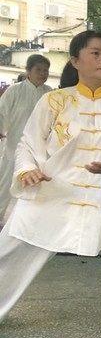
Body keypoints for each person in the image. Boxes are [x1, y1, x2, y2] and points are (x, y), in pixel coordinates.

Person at [0, 30, 101, 338]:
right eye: (96, 53)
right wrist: (28, 169)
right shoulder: (54, 100)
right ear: (75, 60)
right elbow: (27, 144)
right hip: (51, 197)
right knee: (6, 256)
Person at [0, 54, 53, 220]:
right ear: (28, 70)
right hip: (14, 146)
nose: (42, 73)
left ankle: (32, 223)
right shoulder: (15, 90)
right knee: (4, 186)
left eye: (46, 70)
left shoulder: (50, 94)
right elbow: (1, 113)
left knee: (39, 188)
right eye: (38, 69)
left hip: (41, 150)